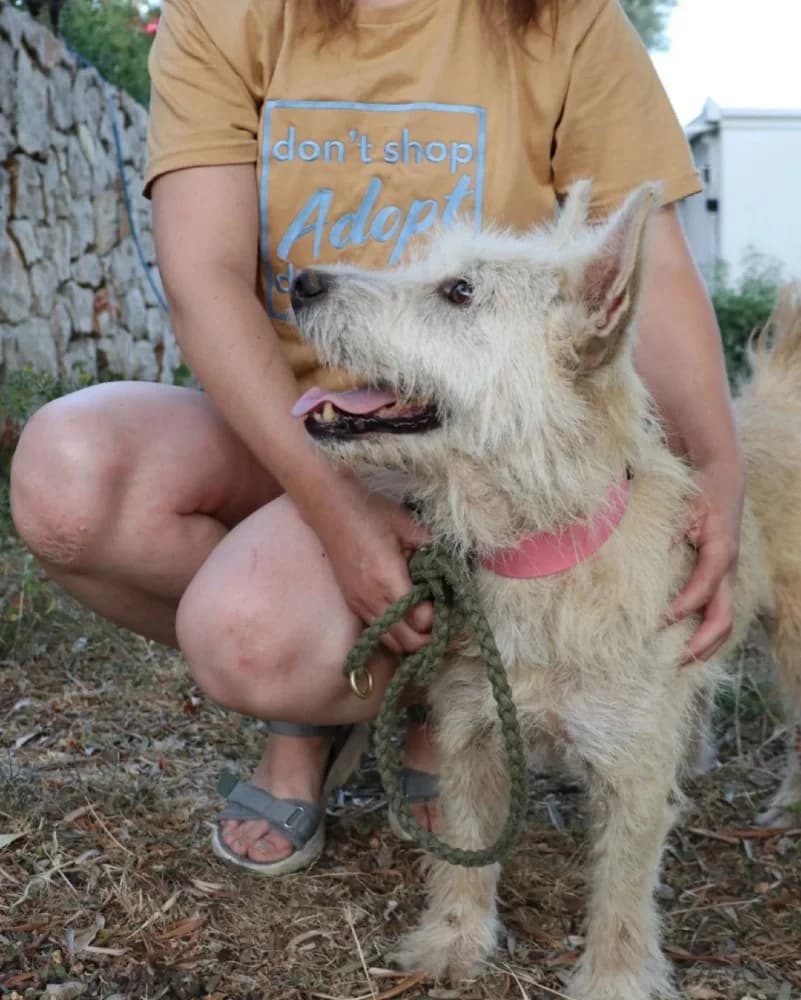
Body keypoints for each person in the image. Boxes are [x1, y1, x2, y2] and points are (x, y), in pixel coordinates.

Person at [10, 0, 744, 875]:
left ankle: (435, 710)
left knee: (254, 636)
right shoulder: (224, 13)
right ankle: (327, 700)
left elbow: (643, 266)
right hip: (295, 421)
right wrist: (330, 508)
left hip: (465, 455)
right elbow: (203, 278)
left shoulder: (565, 20)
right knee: (69, 477)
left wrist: (716, 466)